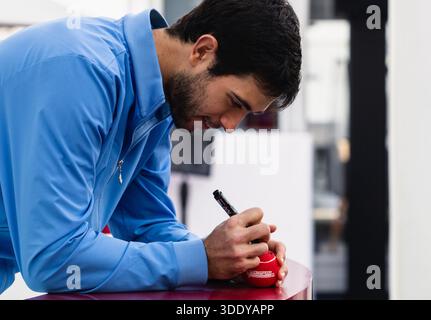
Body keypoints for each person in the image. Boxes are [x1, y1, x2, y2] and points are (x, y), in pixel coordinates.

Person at [0, 0, 302, 294]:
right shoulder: (82, 72)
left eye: (246, 113)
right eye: (235, 102)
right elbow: (54, 259)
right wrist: (203, 260)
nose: (230, 124)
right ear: (203, 51)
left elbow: (145, 224)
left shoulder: (161, 101)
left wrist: (229, 255)